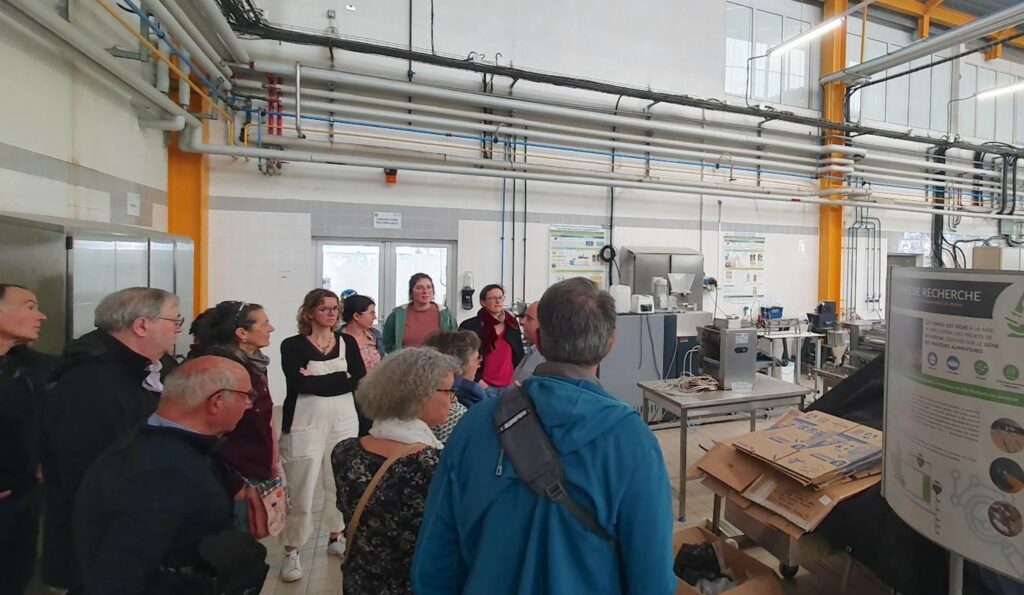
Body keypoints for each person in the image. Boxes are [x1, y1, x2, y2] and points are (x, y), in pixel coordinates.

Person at [412, 278, 675, 595]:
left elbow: (433, 565)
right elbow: (653, 580)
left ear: (537, 339)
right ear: (610, 344)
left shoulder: (474, 424)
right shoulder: (633, 442)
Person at [73, 356, 267, 595]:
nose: (248, 405)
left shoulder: (157, 444)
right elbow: (120, 573)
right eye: (245, 396)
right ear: (216, 401)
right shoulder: (163, 473)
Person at [42, 287, 183, 590]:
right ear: (142, 325)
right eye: (175, 321)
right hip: (106, 544)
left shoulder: (154, 368)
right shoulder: (91, 383)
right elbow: (90, 474)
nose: (178, 330)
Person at [331, 348, 460, 595]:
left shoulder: (344, 451)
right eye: (448, 391)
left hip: (359, 581)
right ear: (420, 395)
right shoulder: (435, 464)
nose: (453, 399)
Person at [278, 288, 367, 582]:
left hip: (343, 418)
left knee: (338, 479)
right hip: (305, 420)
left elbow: (358, 378)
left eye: (334, 308)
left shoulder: (347, 342)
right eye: (324, 308)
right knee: (301, 485)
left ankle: (335, 535)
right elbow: (299, 384)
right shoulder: (292, 345)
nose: (331, 313)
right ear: (309, 312)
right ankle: (292, 549)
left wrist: (319, 379)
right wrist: (340, 378)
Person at [189, 301, 282, 534]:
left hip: (254, 466)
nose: (271, 328)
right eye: (265, 323)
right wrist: (234, 482)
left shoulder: (253, 364)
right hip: (234, 476)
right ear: (242, 333)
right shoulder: (223, 372)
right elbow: (209, 432)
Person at [0, 284, 53, 595]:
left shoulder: (28, 368)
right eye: (29, 307)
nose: (41, 316)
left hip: (24, 493)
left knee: (16, 576)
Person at [458, 284, 524, 398]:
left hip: (509, 386)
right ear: (482, 302)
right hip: (480, 386)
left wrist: (517, 380)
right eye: (492, 298)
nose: (497, 301)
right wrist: (482, 384)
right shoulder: (470, 326)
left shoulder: (512, 324)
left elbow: (519, 354)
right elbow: (462, 358)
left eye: (500, 298)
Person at [381, 273, 457, 352]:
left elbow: (454, 344)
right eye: (419, 288)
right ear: (411, 292)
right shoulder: (397, 316)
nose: (425, 291)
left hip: (438, 359)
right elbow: (386, 345)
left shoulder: (446, 315)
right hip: (405, 359)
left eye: (429, 287)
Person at [422, 330, 486, 409]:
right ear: (461, 364)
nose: (479, 365)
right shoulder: (471, 398)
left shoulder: (425, 394)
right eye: (477, 358)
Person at [342, 294, 384, 374]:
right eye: (371, 313)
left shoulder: (375, 335)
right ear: (356, 316)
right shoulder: (338, 339)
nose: (375, 317)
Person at [513, 300, 545, 385]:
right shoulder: (534, 349)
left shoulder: (549, 357)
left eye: (529, 318)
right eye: (524, 317)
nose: (522, 322)